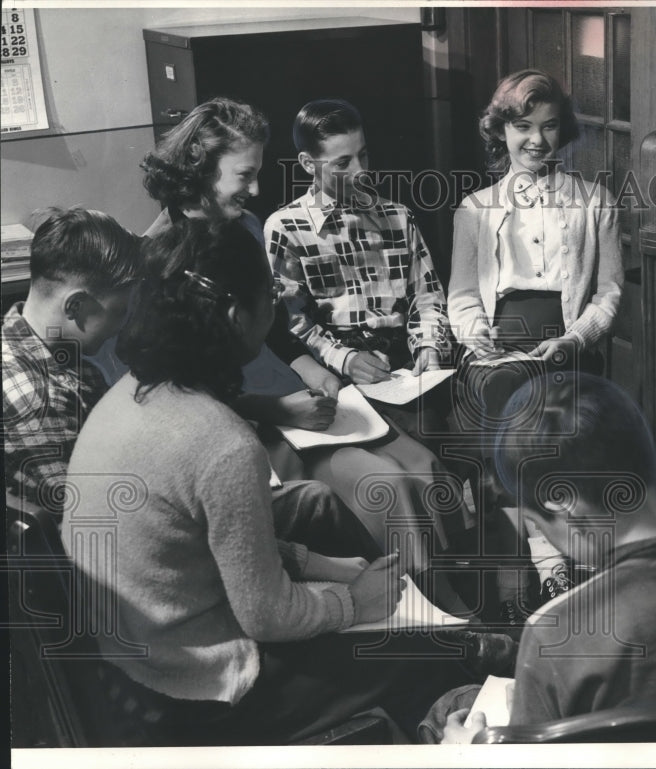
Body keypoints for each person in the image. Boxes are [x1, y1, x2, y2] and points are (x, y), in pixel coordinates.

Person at [60, 218, 478, 745]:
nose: (276, 306)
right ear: (237, 316)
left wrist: (322, 566)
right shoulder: (221, 442)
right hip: (196, 693)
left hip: (133, 654)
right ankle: (458, 704)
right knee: (415, 651)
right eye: (270, 295)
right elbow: (267, 616)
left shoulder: (132, 392)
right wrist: (354, 604)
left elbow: (206, 540)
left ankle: (437, 664)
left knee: (319, 512)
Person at [139, 97, 473, 579]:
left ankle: (454, 594)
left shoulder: (247, 226)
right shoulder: (160, 256)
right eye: (244, 175)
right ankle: (421, 616)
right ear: (200, 169)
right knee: (387, 484)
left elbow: (278, 331)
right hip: (255, 420)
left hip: (305, 395)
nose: (256, 189)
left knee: (422, 466)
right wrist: (277, 407)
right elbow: (176, 396)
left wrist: (315, 369)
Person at [420, 373, 656, 743]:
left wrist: (472, 753)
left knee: (446, 710)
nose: (548, 540)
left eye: (536, 524)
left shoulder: (553, 629)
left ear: (562, 500)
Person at [446, 69, 625, 619]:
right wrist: (476, 333)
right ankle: (556, 567)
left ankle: (540, 570)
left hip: (566, 347)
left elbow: (610, 295)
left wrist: (574, 340)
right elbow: (461, 300)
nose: (536, 141)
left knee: (515, 415)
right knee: (505, 393)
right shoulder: (474, 209)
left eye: (549, 127)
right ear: (501, 130)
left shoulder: (595, 202)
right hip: (497, 349)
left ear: (563, 132)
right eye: (522, 126)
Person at [263, 98, 455, 451]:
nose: (360, 171)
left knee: (438, 441)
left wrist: (429, 345)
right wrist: (345, 359)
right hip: (335, 371)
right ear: (308, 164)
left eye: (363, 155)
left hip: (405, 367)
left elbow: (427, 297)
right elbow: (289, 323)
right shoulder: (286, 229)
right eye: (343, 163)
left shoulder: (398, 217)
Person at [3, 207, 140, 513]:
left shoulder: (31, 345)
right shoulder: (37, 402)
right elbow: (93, 511)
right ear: (75, 305)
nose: (123, 325)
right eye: (119, 312)